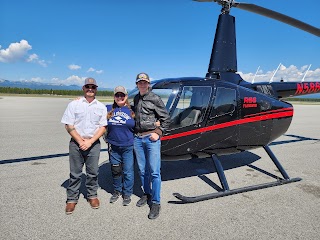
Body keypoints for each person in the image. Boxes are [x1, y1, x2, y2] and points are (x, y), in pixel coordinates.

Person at [61, 77, 108, 215]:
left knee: (92, 172)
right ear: (83, 88)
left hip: (93, 144)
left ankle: (92, 195)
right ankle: (72, 199)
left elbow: (103, 126)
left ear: (96, 89)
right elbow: (68, 125)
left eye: (93, 87)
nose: (90, 89)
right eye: (87, 87)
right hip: (76, 143)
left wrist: (90, 141)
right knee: (75, 173)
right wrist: (80, 141)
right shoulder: (74, 104)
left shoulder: (100, 106)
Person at [133, 72, 170, 220]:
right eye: (139, 82)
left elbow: (166, 119)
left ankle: (156, 202)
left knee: (154, 171)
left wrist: (158, 132)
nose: (142, 84)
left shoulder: (155, 98)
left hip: (151, 138)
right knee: (142, 171)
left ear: (148, 84)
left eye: (144, 82)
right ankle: (147, 193)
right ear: (137, 84)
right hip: (137, 138)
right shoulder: (136, 98)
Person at [104, 86, 135, 206]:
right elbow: (91, 107)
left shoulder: (132, 110)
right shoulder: (108, 108)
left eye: (122, 95)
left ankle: (127, 193)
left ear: (126, 96)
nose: (120, 97)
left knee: (128, 171)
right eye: (117, 95)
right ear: (114, 97)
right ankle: (117, 191)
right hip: (114, 146)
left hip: (128, 146)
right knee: (115, 170)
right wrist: (80, 100)